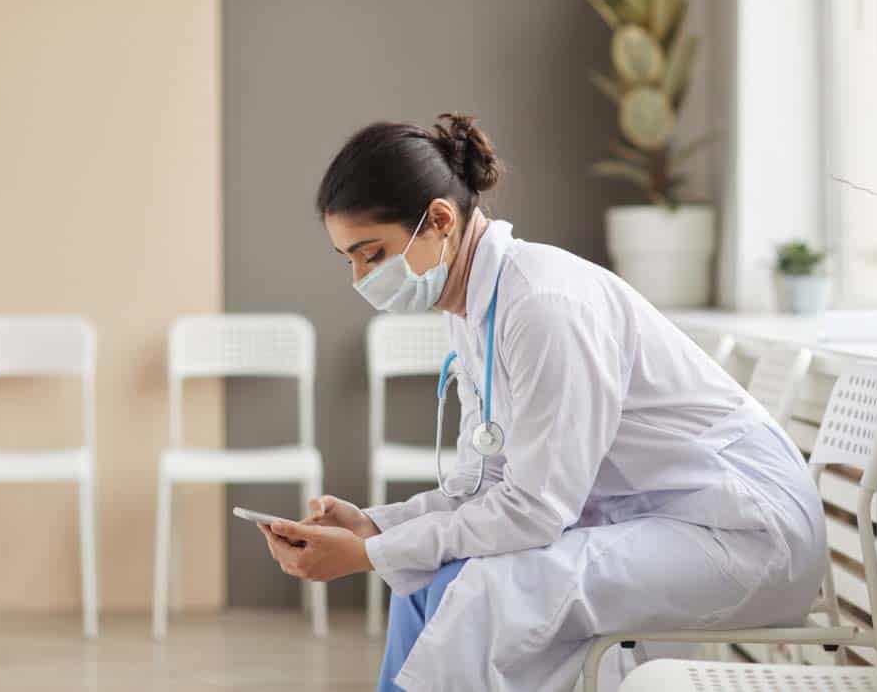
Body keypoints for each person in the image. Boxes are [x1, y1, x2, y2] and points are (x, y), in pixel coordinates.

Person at [257, 113, 826, 692]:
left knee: (491, 591)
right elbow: (488, 486)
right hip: (658, 518)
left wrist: (368, 555)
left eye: (371, 254)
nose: (359, 278)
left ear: (440, 221)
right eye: (348, 259)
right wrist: (375, 529)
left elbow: (533, 509)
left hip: (744, 535)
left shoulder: (545, 304)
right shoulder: (476, 310)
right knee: (425, 578)